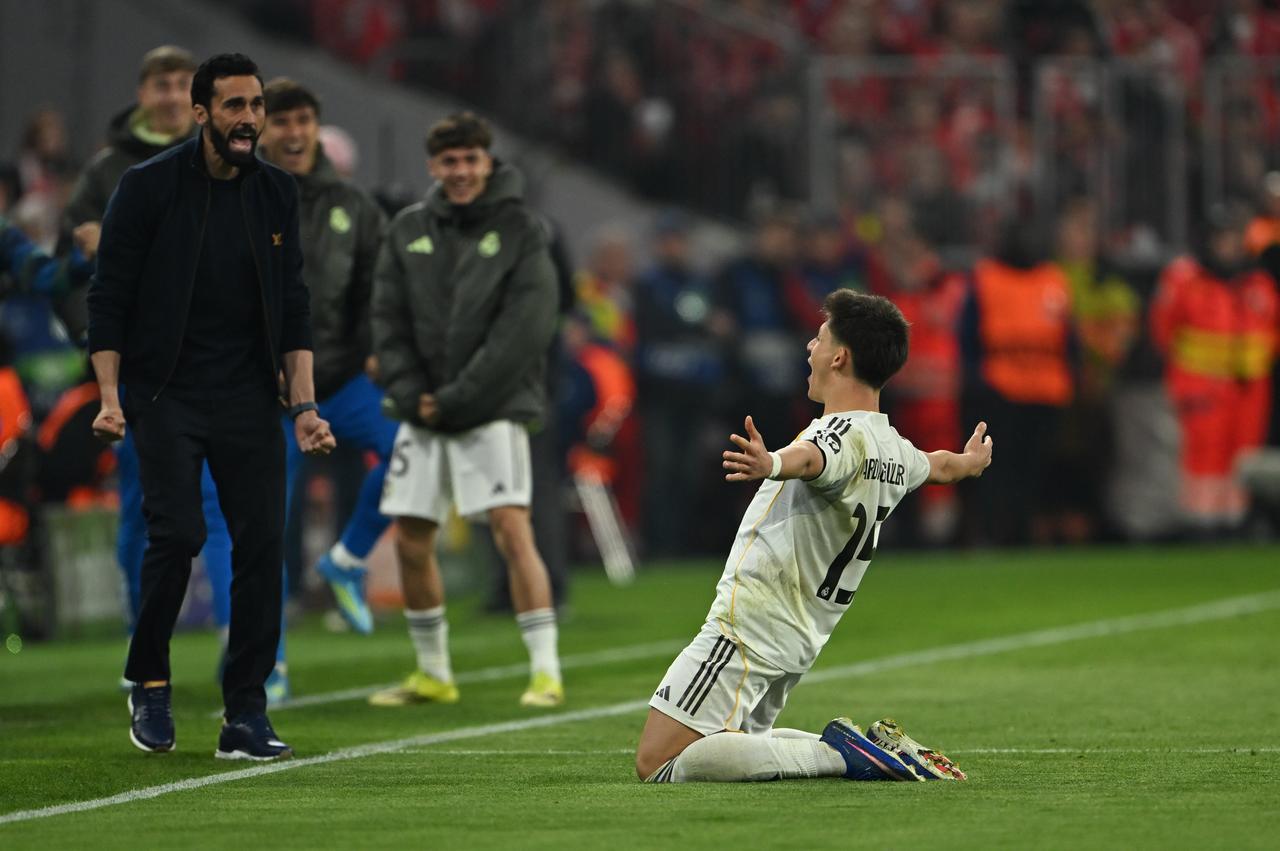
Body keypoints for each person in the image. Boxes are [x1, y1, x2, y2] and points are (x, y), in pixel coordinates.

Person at [634, 289, 992, 784]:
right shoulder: (893, 447)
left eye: (820, 338)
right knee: (740, 741)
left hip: (752, 625)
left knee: (658, 762)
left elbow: (813, 460)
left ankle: (841, 757)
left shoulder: (839, 434)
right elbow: (940, 466)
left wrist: (771, 463)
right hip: (801, 633)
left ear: (839, 357)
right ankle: (865, 751)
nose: (810, 347)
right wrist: (970, 462)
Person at [87, 53, 335, 760]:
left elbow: (293, 304)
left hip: (249, 395)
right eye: (234, 106)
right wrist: (110, 398)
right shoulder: (146, 186)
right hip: (163, 392)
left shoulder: (276, 191)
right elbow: (109, 297)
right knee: (179, 535)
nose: (249, 119)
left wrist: (305, 405)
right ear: (201, 114)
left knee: (262, 546)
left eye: (256, 106)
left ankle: (245, 713)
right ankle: (150, 680)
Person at [61, 45, 242, 692]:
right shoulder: (108, 172)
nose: (169, 96)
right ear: (142, 94)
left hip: (217, 363)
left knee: (220, 509)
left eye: (179, 84)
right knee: (146, 511)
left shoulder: (229, 160)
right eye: (159, 84)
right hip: (143, 372)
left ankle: (238, 643)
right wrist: (98, 344)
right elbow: (71, 271)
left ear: (197, 99)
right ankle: (145, 652)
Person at [370, 111, 563, 708]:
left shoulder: (521, 229)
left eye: (470, 159)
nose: (460, 171)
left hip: (490, 408)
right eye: (449, 161)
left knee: (510, 528)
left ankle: (546, 672)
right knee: (411, 538)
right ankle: (433, 673)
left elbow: (524, 330)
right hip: (423, 411)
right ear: (433, 166)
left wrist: (456, 397)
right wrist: (411, 393)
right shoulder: (407, 229)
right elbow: (386, 318)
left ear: (487, 162)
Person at [258, 78, 392, 668]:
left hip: (340, 377)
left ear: (316, 127)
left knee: (413, 455)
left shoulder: (354, 207)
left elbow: (379, 287)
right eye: (281, 121)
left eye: (303, 120)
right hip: (268, 391)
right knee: (266, 521)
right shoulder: (242, 196)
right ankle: (269, 665)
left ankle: (346, 559)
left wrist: (377, 348)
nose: (294, 132)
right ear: (262, 129)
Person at [1149, 203, 1278, 534]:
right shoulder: (1185, 279)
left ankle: (1236, 523)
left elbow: (1271, 332)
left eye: (1234, 238)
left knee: (1243, 458)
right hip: (1200, 386)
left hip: (1248, 389)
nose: (1229, 246)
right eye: (1222, 238)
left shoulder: (1258, 284)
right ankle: (1199, 524)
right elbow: (1162, 329)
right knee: (1201, 458)